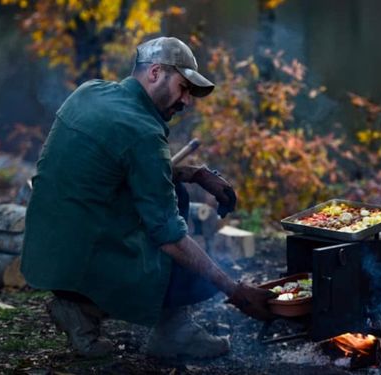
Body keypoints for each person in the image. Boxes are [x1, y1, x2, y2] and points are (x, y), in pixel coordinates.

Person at [20, 36, 275, 359]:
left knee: (172, 191)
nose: (186, 101)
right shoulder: (143, 132)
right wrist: (235, 291)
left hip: (44, 251)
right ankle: (170, 331)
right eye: (184, 88)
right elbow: (169, 237)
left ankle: (78, 308)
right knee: (179, 221)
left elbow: (121, 167)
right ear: (155, 73)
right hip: (81, 259)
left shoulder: (89, 92)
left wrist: (196, 173)